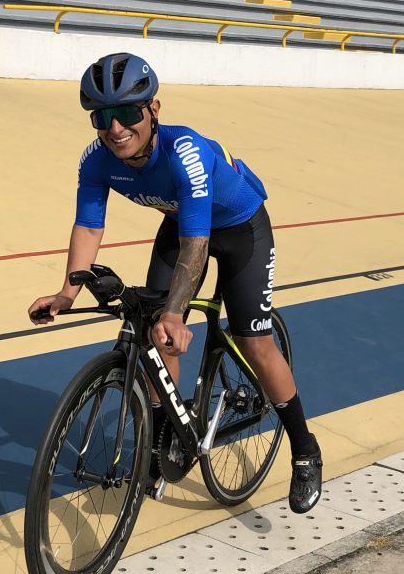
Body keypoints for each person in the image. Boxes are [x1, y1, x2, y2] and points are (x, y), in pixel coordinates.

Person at [27, 52, 323, 514]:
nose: (115, 128)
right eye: (102, 117)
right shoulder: (97, 159)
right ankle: (166, 441)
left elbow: (197, 246)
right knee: (156, 337)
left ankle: (305, 449)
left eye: (127, 113)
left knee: (254, 341)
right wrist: (68, 292)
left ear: (154, 110)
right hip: (180, 224)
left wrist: (174, 311)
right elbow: (88, 226)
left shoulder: (183, 151)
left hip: (238, 228)